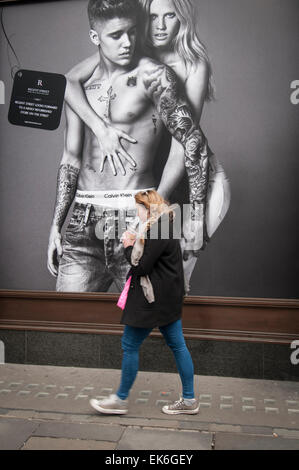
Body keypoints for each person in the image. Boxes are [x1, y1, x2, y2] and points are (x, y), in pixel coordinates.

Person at [62, 0, 231, 292]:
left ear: (183, 20)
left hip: (196, 176)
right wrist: (101, 129)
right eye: (153, 17)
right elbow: (68, 81)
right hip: (157, 177)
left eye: (170, 16)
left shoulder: (192, 63)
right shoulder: (131, 50)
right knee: (151, 281)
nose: (161, 26)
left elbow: (183, 146)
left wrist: (187, 214)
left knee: (177, 276)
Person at [90, 190, 199, 415]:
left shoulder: (158, 230)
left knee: (130, 345)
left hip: (153, 299)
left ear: (148, 209)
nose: (136, 212)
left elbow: (141, 267)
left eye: (138, 208)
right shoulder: (164, 226)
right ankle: (189, 400)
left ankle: (119, 400)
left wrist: (129, 246)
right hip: (167, 299)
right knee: (178, 346)